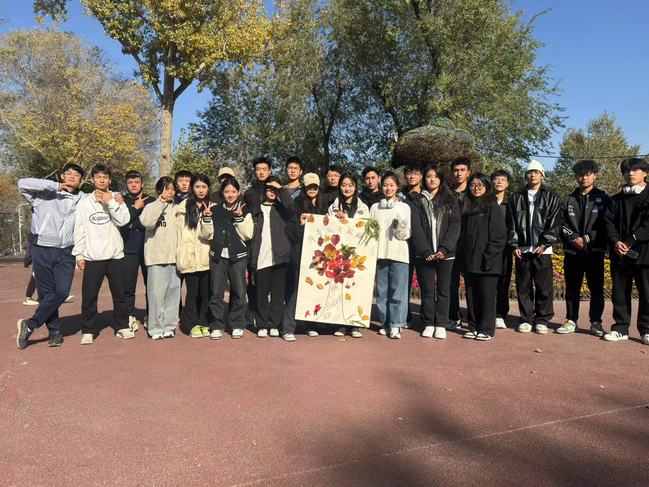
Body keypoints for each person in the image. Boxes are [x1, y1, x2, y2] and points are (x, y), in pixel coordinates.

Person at [16, 163, 86, 349]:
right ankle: (55, 333)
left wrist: (116, 196)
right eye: (68, 173)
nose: (72, 177)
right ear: (62, 176)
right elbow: (22, 183)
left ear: (81, 180)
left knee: (61, 292)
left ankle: (30, 324)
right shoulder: (43, 194)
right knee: (47, 294)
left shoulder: (82, 199)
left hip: (67, 250)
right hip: (43, 248)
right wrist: (55, 186)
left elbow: (102, 195)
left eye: (76, 175)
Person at [72, 164, 132, 344]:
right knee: (89, 296)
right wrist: (79, 255)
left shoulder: (117, 199)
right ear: (92, 180)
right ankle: (88, 330)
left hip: (115, 256)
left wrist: (111, 202)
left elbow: (123, 221)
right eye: (98, 177)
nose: (102, 180)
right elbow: (79, 230)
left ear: (110, 180)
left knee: (120, 296)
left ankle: (122, 326)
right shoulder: (84, 204)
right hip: (93, 257)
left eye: (105, 177)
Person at [507, 160, 560, 334]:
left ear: (542, 175)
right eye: (530, 172)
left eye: (536, 172)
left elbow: (554, 222)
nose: (532, 175)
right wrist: (514, 244)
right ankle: (526, 318)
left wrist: (544, 243)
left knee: (544, 286)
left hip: (542, 249)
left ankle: (542, 319)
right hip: (522, 249)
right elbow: (511, 223)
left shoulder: (550, 196)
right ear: (525, 176)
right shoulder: (517, 196)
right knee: (523, 286)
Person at [557, 160, 609, 336]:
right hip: (573, 252)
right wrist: (573, 238)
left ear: (595, 176)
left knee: (596, 289)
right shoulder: (568, 199)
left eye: (587, 174)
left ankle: (596, 322)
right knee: (572, 288)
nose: (584, 178)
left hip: (594, 252)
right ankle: (571, 320)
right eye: (580, 174)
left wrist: (586, 238)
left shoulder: (603, 199)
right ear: (575, 176)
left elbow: (606, 225)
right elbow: (560, 223)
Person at [410, 165, 461, 339]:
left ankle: (441, 324)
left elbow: (455, 226)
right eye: (428, 176)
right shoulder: (417, 200)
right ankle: (429, 323)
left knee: (444, 291)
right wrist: (425, 250)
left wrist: (444, 249)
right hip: (424, 254)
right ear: (423, 179)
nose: (432, 179)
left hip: (446, 254)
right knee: (427, 291)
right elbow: (415, 227)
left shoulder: (450, 200)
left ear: (441, 179)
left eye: (435, 176)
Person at [200, 177, 253, 340]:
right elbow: (206, 234)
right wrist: (206, 218)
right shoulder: (214, 210)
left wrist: (239, 218)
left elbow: (248, 235)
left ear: (238, 192)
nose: (230, 194)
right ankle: (217, 325)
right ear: (222, 193)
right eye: (227, 191)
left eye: (233, 191)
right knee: (216, 292)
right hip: (218, 258)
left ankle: (237, 324)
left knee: (239, 291)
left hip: (238, 258)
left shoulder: (245, 210)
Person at [603, 157, 649, 345]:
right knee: (619, 293)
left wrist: (630, 241)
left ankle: (646, 330)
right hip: (620, 254)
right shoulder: (615, 200)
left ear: (645, 173)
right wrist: (615, 242)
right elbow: (607, 224)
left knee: (647, 294)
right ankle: (620, 328)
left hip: (645, 254)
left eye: (635, 170)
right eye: (627, 171)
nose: (630, 173)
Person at [458, 173, 507, 341]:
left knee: (486, 297)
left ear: (486, 187)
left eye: (480, 185)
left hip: (487, 262)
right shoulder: (467, 207)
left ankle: (486, 329)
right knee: (472, 297)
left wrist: (489, 257)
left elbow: (499, 236)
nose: (476, 188)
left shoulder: (492, 206)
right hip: (469, 260)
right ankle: (473, 326)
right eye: (473, 185)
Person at [284, 173, 328, 340]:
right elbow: (290, 231)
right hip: (300, 255)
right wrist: (301, 225)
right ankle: (288, 328)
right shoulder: (296, 205)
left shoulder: (324, 205)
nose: (312, 189)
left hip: (320, 257)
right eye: (309, 186)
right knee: (297, 291)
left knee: (314, 290)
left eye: (315, 186)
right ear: (304, 187)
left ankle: (311, 325)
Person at [250, 176, 294, 337]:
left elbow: (292, 207)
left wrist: (282, 189)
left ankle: (275, 324)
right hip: (261, 255)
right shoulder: (256, 209)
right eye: (269, 189)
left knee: (278, 293)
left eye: (275, 189)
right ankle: (262, 324)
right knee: (261, 293)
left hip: (280, 256)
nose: (272, 192)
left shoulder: (282, 209)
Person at [369, 172, 411, 339]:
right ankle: (385, 323)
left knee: (397, 291)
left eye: (391, 185)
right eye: (385, 185)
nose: (388, 188)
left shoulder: (404, 207)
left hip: (399, 254)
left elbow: (406, 234)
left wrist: (399, 227)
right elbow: (370, 232)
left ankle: (396, 324)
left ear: (397, 187)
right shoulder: (375, 208)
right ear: (381, 186)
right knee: (382, 292)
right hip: (380, 254)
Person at [328, 173, 370, 338]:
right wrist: (337, 219)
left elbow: (367, 230)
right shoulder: (333, 207)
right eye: (344, 185)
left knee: (355, 287)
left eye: (350, 185)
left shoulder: (363, 207)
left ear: (355, 187)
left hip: (357, 253)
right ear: (339, 187)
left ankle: (355, 325)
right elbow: (327, 228)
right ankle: (340, 323)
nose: (347, 188)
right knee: (339, 287)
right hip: (339, 254)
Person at [139, 177, 181, 339]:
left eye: (172, 189)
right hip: (156, 258)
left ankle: (169, 326)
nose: (170, 192)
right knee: (156, 296)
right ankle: (156, 328)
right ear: (159, 190)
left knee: (172, 295)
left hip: (174, 258)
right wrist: (160, 203)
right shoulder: (151, 206)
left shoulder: (177, 208)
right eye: (166, 189)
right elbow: (147, 223)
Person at [176, 174, 214, 338]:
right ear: (193, 188)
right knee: (192, 293)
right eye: (197, 187)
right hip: (189, 257)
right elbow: (178, 234)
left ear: (208, 189)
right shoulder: (182, 207)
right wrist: (179, 253)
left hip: (206, 256)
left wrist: (207, 218)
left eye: (204, 187)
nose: (201, 190)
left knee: (206, 293)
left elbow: (209, 235)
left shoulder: (213, 206)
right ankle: (190, 324)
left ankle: (204, 322)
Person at [120, 170, 155, 331]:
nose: (133, 185)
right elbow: (122, 223)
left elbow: (150, 224)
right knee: (128, 287)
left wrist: (134, 223)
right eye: (130, 182)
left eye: (136, 182)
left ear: (142, 183)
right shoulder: (121, 200)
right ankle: (130, 316)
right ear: (126, 184)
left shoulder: (151, 201)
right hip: (128, 249)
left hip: (149, 248)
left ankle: (150, 315)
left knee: (151, 285)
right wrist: (135, 210)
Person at [448, 156, 472, 327]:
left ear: (468, 172)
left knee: (472, 283)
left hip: (470, 244)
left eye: (462, 170)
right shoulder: (446, 194)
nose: (459, 173)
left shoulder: (475, 192)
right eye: (456, 170)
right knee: (451, 283)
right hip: (452, 244)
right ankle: (453, 315)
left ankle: (473, 317)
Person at [401, 162, 424, 326]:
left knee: (425, 282)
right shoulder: (400, 196)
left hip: (423, 245)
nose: (411, 176)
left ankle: (426, 315)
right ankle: (405, 315)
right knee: (405, 281)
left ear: (421, 176)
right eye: (409, 173)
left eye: (415, 173)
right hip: (404, 245)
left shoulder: (427, 195)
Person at [491, 170, 513, 329]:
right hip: (488, 249)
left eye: (502, 179)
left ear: (507, 184)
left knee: (504, 282)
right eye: (496, 179)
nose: (499, 182)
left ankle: (500, 314)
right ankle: (487, 311)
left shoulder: (511, 204)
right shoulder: (485, 202)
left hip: (505, 249)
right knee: (488, 282)